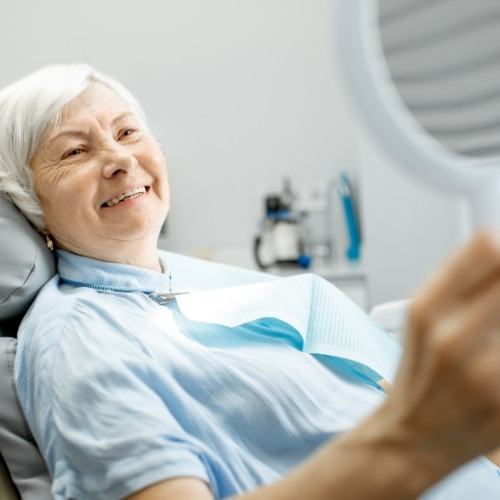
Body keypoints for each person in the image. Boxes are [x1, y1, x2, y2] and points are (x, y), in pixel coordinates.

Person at [1, 64, 500, 500]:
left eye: (128, 132)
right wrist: (418, 438)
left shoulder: (183, 282)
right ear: (31, 204)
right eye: (74, 152)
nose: (120, 160)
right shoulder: (79, 339)